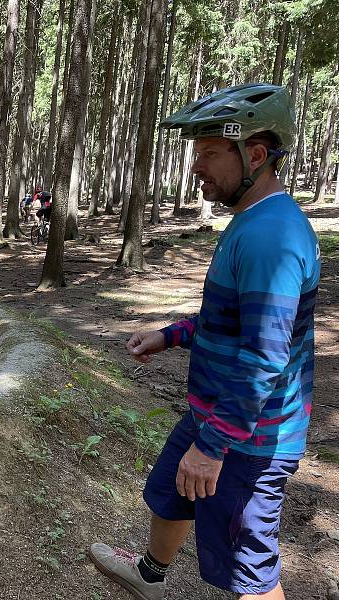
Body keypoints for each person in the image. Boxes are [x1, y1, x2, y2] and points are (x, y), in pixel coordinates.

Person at [88, 83, 320, 600]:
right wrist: (170, 336)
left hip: (250, 438)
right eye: (198, 154)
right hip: (217, 414)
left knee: (248, 566)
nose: (198, 168)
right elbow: (230, 322)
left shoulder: (271, 237)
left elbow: (264, 355)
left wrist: (213, 447)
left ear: (254, 155)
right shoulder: (251, 223)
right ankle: (149, 577)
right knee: (171, 491)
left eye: (210, 154)